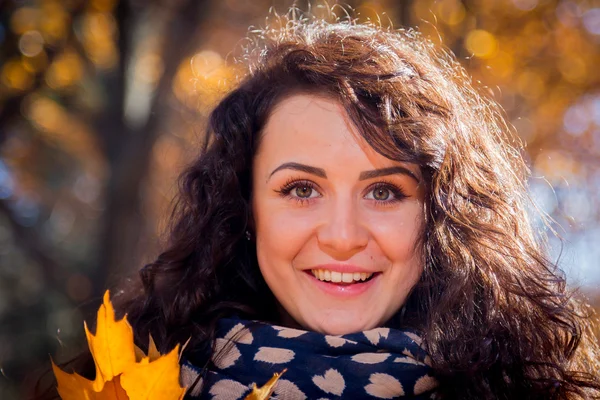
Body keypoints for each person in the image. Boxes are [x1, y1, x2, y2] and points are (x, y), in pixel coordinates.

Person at [38, 12, 600, 400]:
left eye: (385, 192)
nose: (341, 235)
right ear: (245, 212)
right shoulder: (127, 388)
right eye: (301, 189)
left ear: (441, 218)